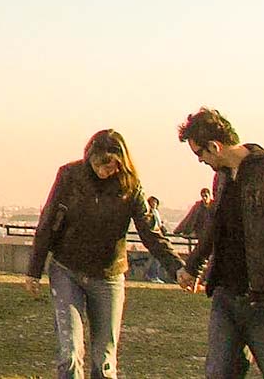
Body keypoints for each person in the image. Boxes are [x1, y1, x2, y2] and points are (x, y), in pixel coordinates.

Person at [23, 129, 183, 379]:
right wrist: (34, 271)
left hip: (108, 276)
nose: (102, 171)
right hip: (67, 269)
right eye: (97, 164)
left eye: (109, 166)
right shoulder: (69, 176)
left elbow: (150, 233)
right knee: (70, 353)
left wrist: (177, 268)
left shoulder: (131, 187)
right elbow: (48, 222)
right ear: (89, 157)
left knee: (104, 359)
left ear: (121, 162)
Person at [176, 107, 264, 378]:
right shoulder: (222, 177)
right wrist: (192, 266)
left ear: (214, 146)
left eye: (199, 153)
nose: (200, 161)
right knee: (218, 373)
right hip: (225, 295)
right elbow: (216, 228)